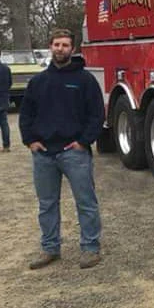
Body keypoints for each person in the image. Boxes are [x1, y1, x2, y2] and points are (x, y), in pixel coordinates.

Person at [19, 29, 105, 269]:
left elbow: (97, 114)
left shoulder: (85, 80)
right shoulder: (38, 82)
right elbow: (26, 114)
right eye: (57, 44)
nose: (60, 49)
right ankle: (50, 248)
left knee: (86, 202)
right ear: (50, 46)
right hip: (44, 154)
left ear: (72, 49)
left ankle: (90, 248)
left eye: (65, 45)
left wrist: (83, 142)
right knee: (47, 205)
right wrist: (30, 141)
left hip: (74, 153)